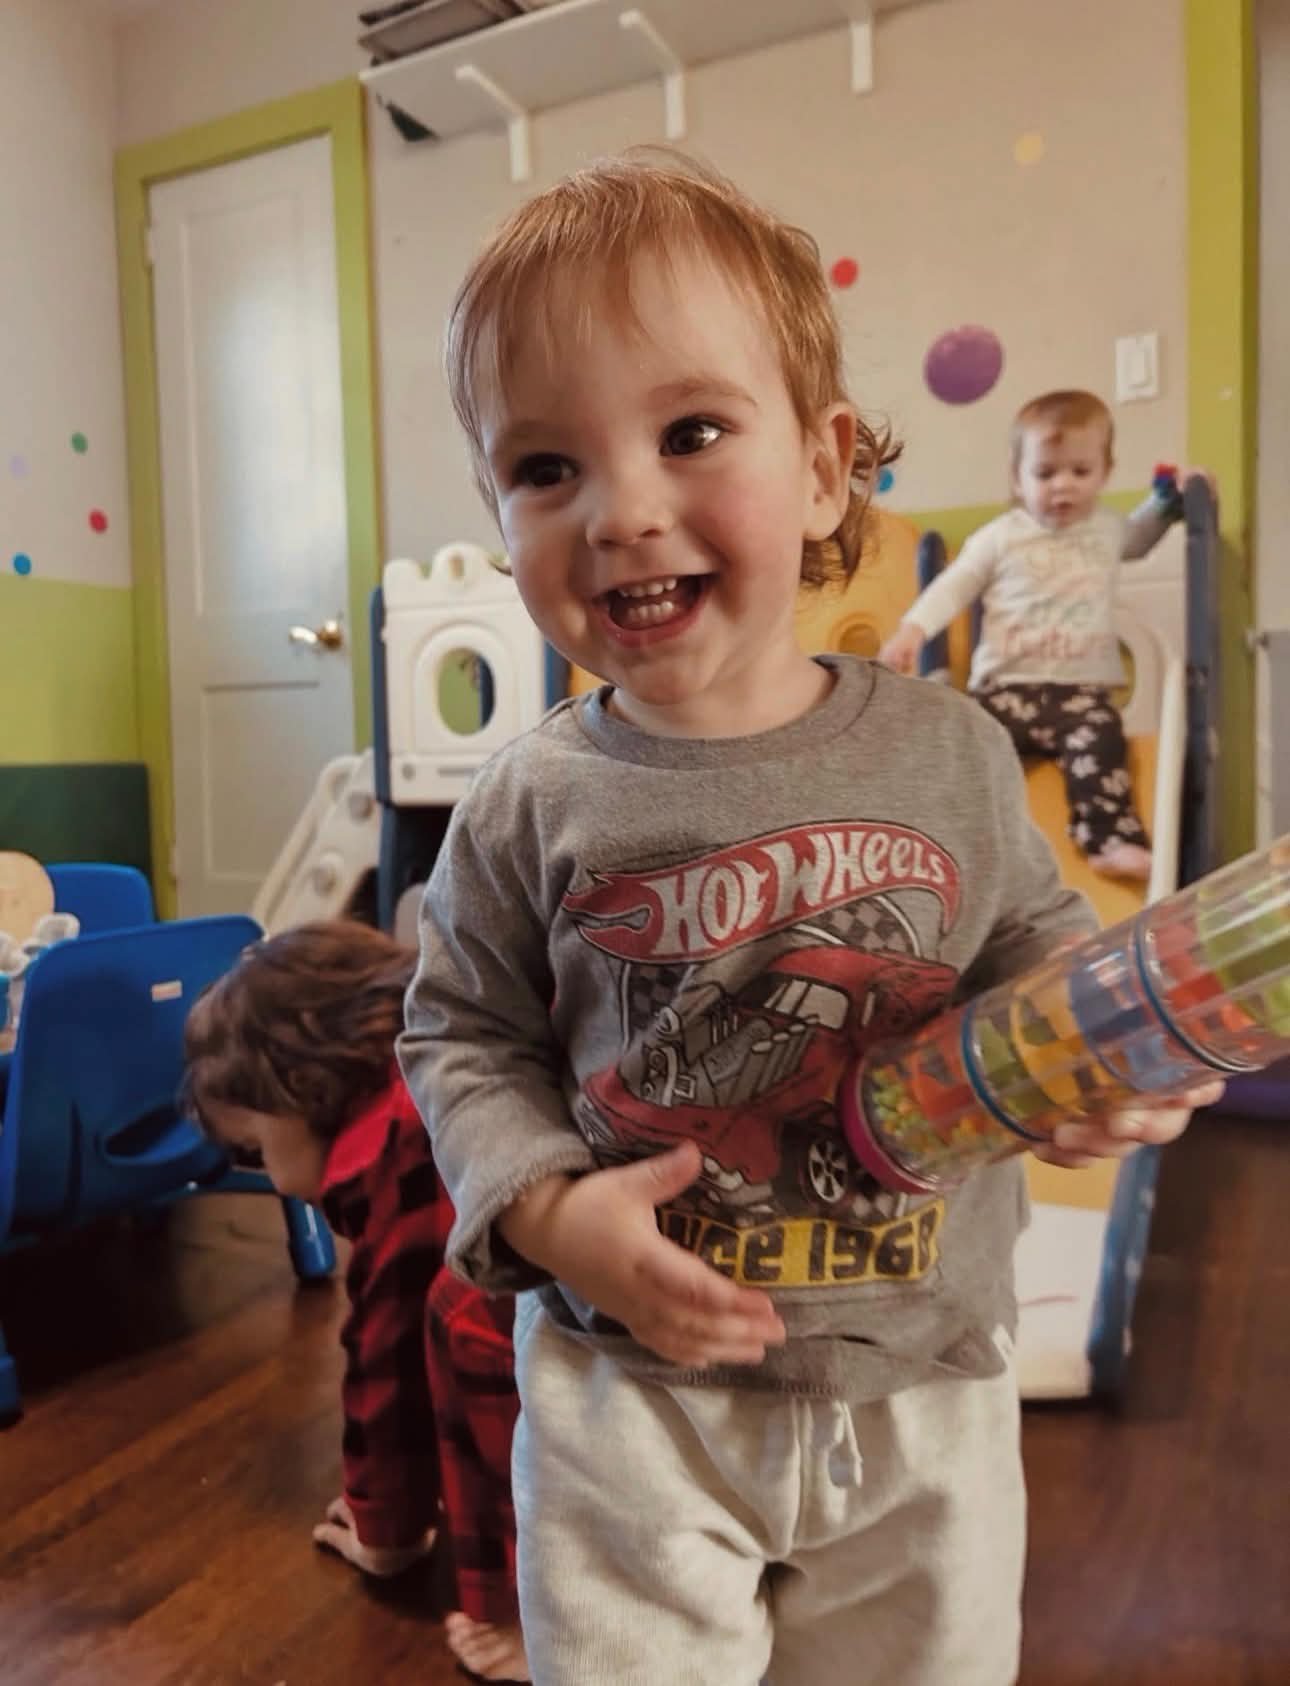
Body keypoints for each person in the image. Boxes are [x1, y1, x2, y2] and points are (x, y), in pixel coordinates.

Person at [399, 153, 1220, 1686]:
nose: (623, 509)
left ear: (829, 465)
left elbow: (1032, 942)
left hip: (920, 1377)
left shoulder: (950, 749)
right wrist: (542, 1209)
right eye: (544, 468)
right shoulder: (528, 798)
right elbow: (456, 1026)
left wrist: (1092, 1058)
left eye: (690, 431)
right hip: (625, 1394)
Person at [183, 921, 528, 1685]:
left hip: (567, 1332)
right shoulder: (427, 1069)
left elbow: (386, 1362)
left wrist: (385, 1526)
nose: (269, 1178)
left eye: (257, 1148)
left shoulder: (392, 1149)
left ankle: (536, 1612)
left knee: (464, 1321)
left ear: (301, 1090)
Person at [878, 389, 1194, 882]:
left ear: (1105, 472)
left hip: (1080, 695)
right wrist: (913, 629)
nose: (1062, 487)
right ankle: (950, 837)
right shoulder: (999, 535)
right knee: (967, 743)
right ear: (1018, 477)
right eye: (1045, 473)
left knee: (1102, 743)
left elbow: (1142, 538)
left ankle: (1107, 838)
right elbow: (955, 584)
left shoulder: (1108, 530)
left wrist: (1168, 500)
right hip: (1006, 689)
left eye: (1080, 471)